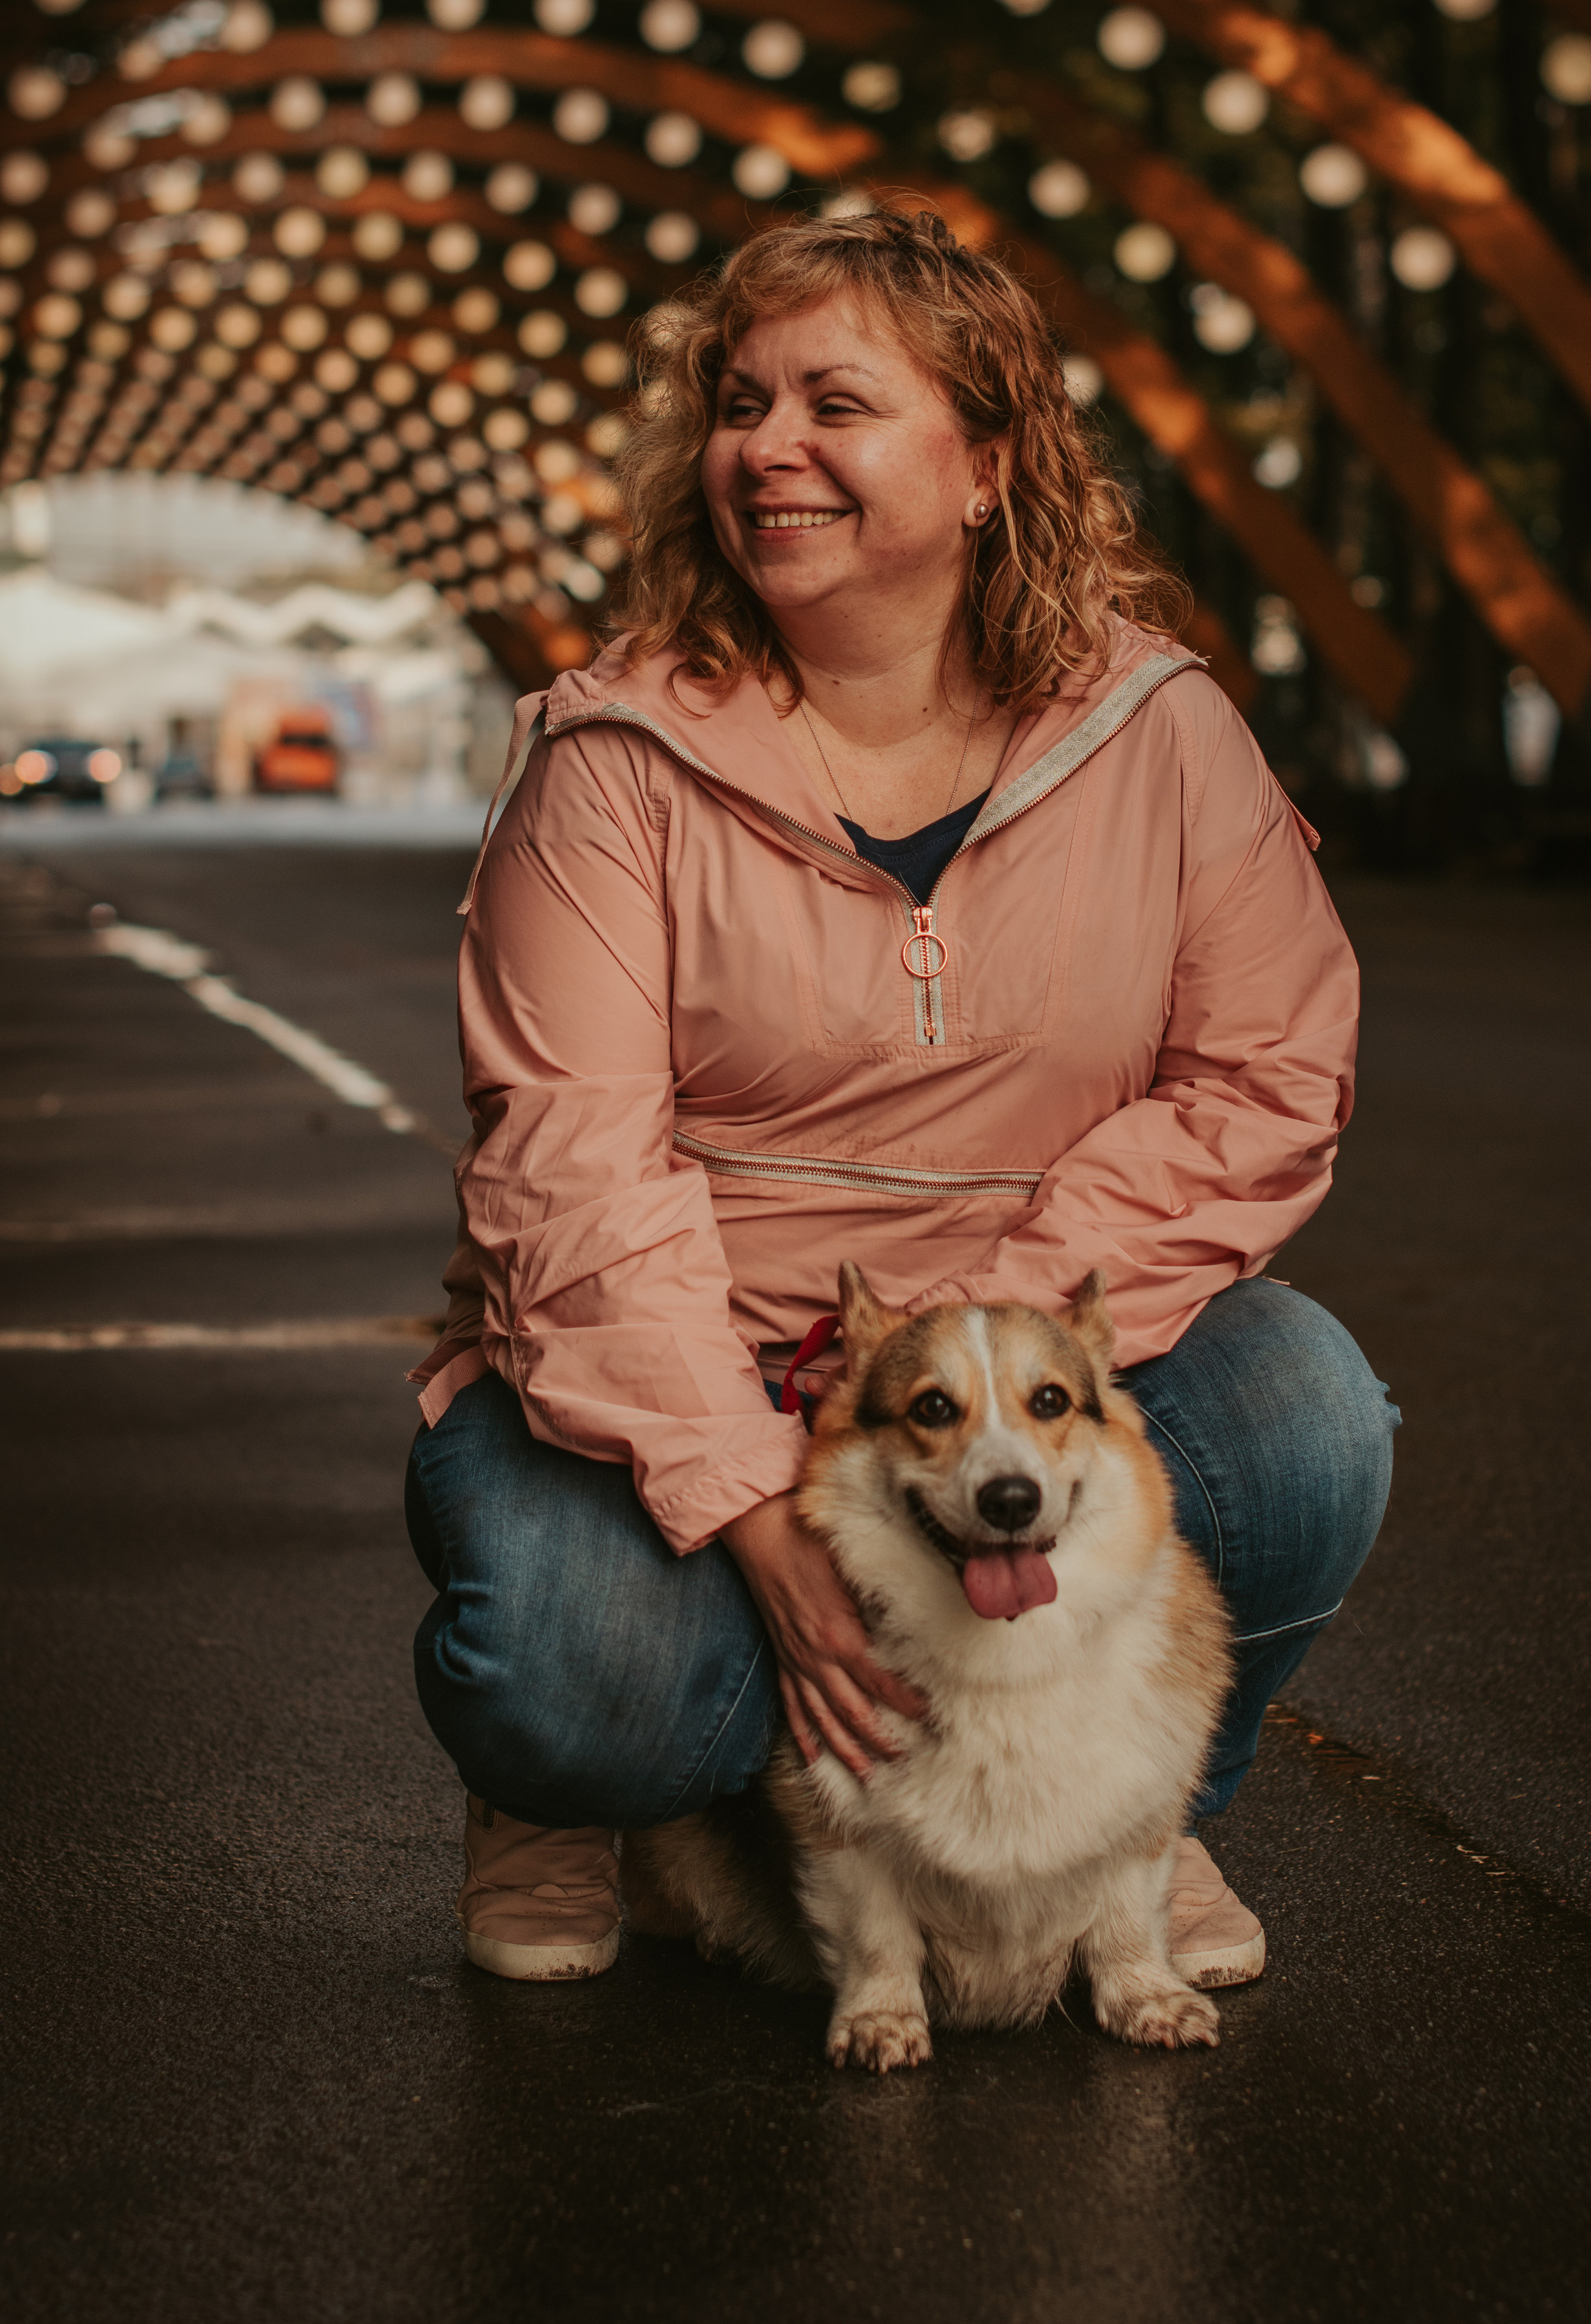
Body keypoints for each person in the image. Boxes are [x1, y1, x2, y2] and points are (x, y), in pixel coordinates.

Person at [405, 207, 1395, 1987]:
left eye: (832, 403)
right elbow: (570, 1176)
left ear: (987, 464)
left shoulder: (1159, 732)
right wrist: (757, 1512)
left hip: (1009, 1373)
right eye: (737, 399)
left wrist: (989, 1332)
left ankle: (1125, 1831)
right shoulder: (612, 758)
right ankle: (564, 1797)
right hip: (682, 1371)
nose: (764, 446)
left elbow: (1268, 1072)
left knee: (1309, 1417)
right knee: (583, 1677)